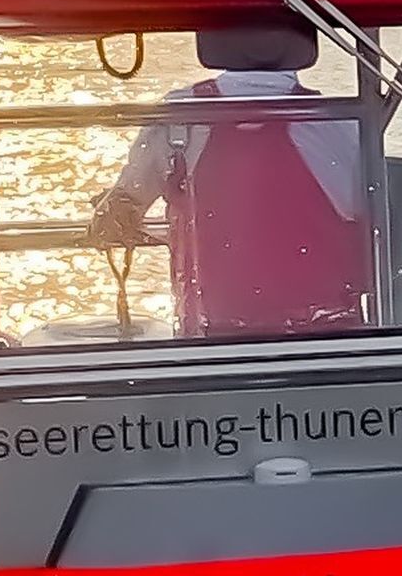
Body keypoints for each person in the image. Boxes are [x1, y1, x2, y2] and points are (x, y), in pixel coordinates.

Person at [88, 18, 381, 341]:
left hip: (213, 342)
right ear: (302, 41)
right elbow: (380, 222)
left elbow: (120, 210)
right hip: (329, 345)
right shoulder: (340, 122)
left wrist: (110, 211)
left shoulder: (179, 119)